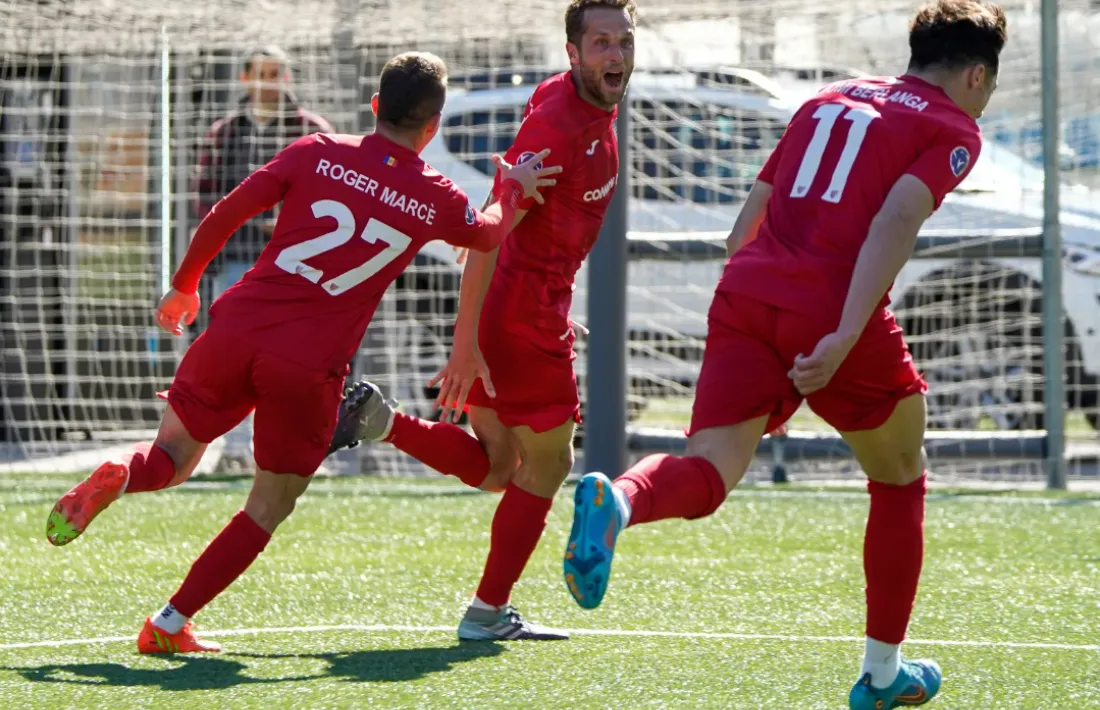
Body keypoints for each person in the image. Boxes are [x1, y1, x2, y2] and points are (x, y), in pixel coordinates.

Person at [561, 1, 1006, 708]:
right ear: (976, 74)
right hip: (828, 306)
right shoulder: (951, 126)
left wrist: (749, 290)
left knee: (708, 469)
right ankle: (884, 676)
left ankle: (618, 499)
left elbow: (756, 205)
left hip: (747, 289)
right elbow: (895, 220)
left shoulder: (829, 98)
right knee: (900, 476)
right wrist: (843, 333)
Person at [44, 51, 560, 655]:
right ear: (433, 126)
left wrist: (184, 287)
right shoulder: (434, 195)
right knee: (268, 505)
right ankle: (167, 622)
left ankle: (125, 473)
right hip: (308, 364)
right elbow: (491, 232)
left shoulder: (316, 150)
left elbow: (226, 212)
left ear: (374, 107)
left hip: (237, 325)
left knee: (172, 456)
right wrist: (514, 189)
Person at [328, 0, 637, 641]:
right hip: (518, 320)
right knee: (549, 466)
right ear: (573, 53)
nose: (615, 54)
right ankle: (486, 614)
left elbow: (531, 231)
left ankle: (385, 423)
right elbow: (487, 235)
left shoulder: (573, 104)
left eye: (623, 40)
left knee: (500, 466)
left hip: (522, 312)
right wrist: (468, 344)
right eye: (600, 42)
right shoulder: (557, 125)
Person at [193, 45, 333, 304]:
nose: (268, 82)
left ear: (286, 78)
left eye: (274, 74)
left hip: (297, 258)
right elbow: (205, 193)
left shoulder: (312, 130)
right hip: (236, 256)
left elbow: (330, 191)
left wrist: (293, 222)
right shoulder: (224, 132)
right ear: (244, 79)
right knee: (234, 335)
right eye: (261, 73)